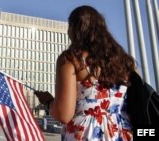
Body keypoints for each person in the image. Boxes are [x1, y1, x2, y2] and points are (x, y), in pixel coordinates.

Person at [34, 5, 135, 141]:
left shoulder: (71, 59)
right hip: (122, 131)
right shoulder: (126, 61)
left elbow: (64, 114)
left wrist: (49, 102)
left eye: (69, 26)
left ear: (76, 29)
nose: (67, 31)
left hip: (87, 133)